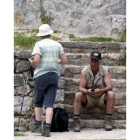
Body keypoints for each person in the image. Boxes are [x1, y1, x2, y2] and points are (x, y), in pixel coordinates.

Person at [29, 24, 67, 137]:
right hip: (53, 75)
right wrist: (54, 62)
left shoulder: (39, 44)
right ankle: (47, 127)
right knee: (49, 104)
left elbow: (36, 60)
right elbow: (64, 60)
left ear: (41, 34)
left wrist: (31, 62)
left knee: (38, 101)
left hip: (41, 75)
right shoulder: (57, 44)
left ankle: (37, 125)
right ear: (50, 33)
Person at [73, 50, 115, 132]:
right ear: (90, 60)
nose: (93, 62)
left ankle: (108, 120)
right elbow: (80, 88)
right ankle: (76, 121)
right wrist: (87, 91)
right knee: (78, 95)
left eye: (96, 60)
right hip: (89, 98)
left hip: (101, 98)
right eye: (92, 60)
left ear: (100, 61)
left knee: (111, 94)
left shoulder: (104, 70)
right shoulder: (85, 71)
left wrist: (101, 90)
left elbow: (109, 87)